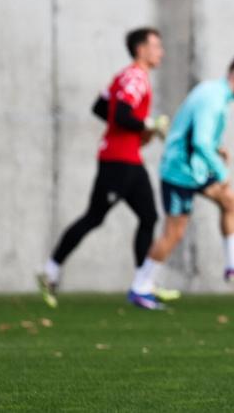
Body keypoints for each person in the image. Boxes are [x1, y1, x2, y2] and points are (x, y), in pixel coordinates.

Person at [37, 28, 170, 308]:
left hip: (129, 158)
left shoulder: (125, 76)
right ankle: (50, 270)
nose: (161, 52)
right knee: (95, 217)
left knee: (148, 216)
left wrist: (134, 130)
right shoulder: (135, 77)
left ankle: (141, 286)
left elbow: (100, 107)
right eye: (156, 46)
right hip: (118, 161)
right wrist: (149, 125)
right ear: (141, 49)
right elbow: (120, 113)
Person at [126, 56, 234, 310]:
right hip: (180, 172)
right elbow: (199, 141)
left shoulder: (216, 94)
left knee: (230, 200)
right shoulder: (212, 97)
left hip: (194, 169)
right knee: (174, 232)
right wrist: (221, 172)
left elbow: (199, 137)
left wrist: (217, 149)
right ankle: (140, 287)